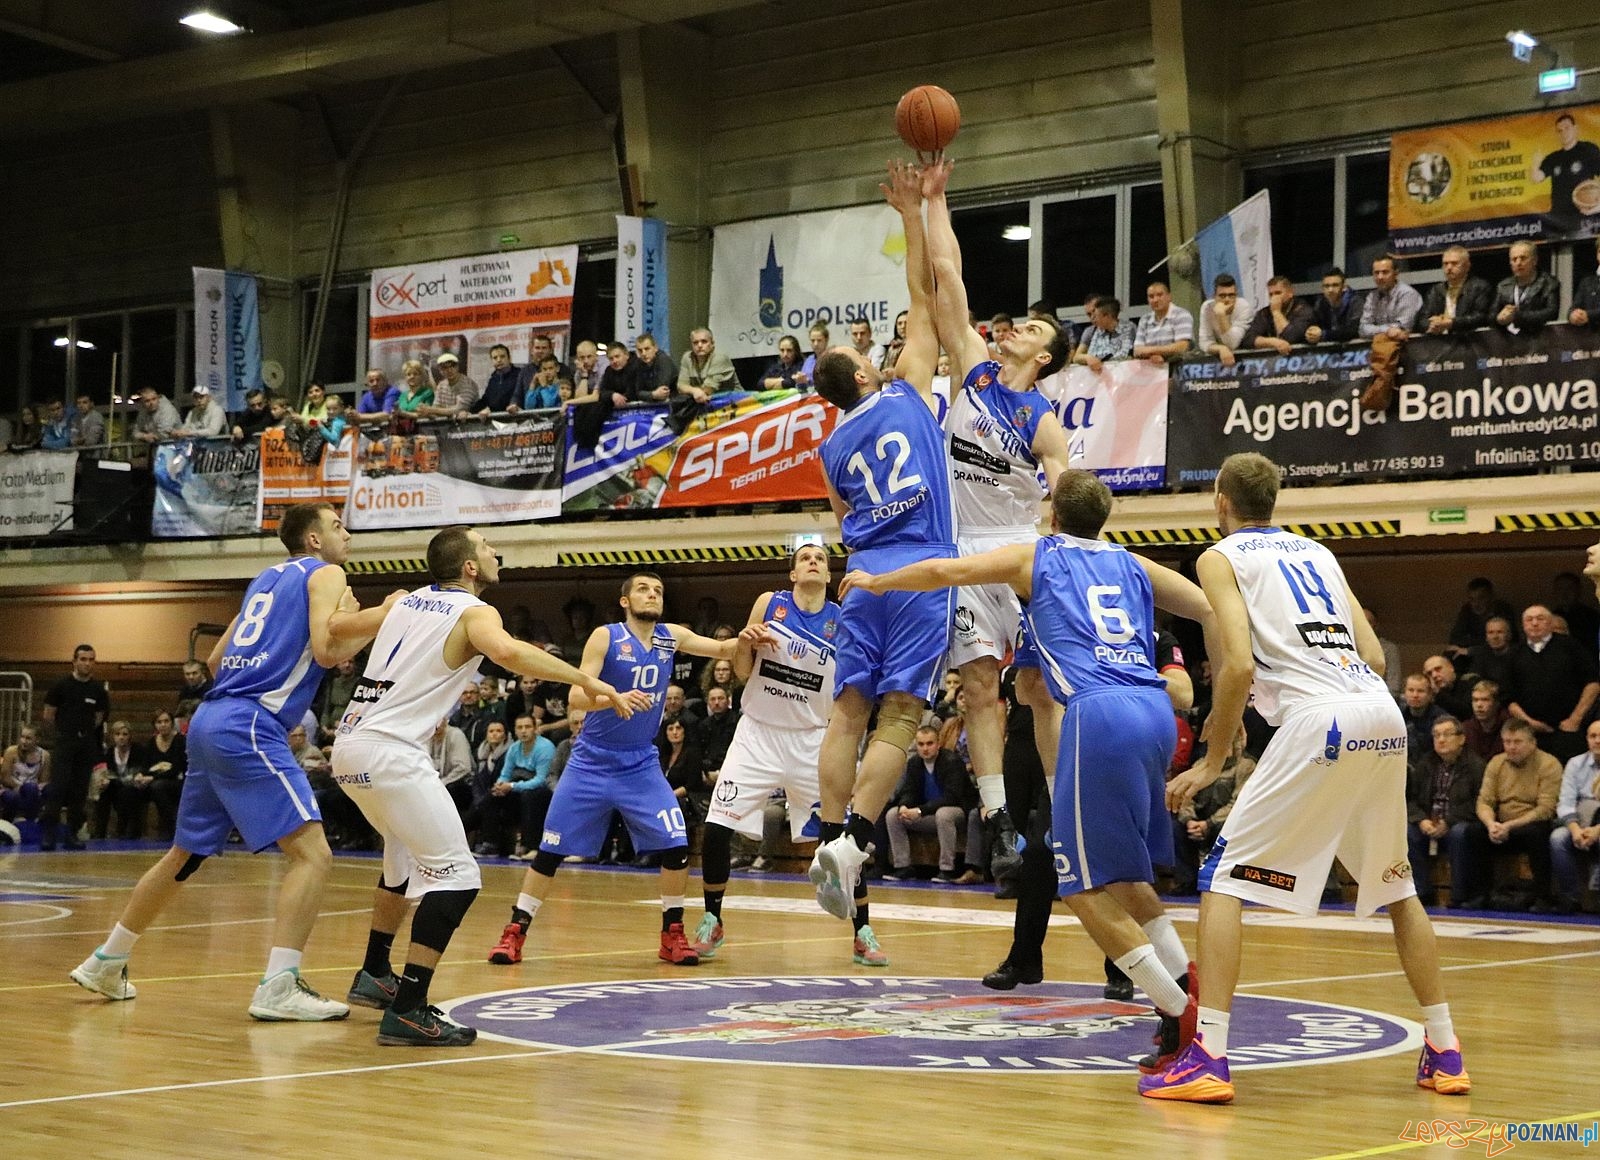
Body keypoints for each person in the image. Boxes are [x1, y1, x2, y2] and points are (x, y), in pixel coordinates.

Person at [843, 468, 1213, 1074]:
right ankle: (1182, 980)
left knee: (1078, 883)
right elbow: (1207, 606)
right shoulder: (1135, 565)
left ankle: (1177, 1011)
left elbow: (945, 572)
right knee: (1121, 876)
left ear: (1054, 517)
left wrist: (879, 581)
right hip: (1156, 713)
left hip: (1099, 714)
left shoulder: (1038, 558)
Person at [1146, 451, 1469, 1103]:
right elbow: (1373, 653)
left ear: (1220, 500)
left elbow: (1235, 664)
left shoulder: (1220, 556)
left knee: (1222, 877)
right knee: (1397, 887)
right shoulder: (1318, 552)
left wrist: (1212, 759)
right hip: (1378, 712)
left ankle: (1208, 1055)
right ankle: (1445, 1050)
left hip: (1321, 720)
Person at [70, 503, 394, 1019]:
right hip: (248, 724)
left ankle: (108, 959)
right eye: (337, 526)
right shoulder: (327, 573)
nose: (347, 534)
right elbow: (328, 651)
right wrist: (385, 612)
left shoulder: (264, 580)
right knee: (314, 855)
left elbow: (217, 662)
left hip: (209, 719)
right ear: (312, 540)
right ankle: (279, 986)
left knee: (184, 853)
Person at [333, 525, 639, 1045]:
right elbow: (510, 653)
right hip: (390, 753)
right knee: (457, 876)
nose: (497, 552)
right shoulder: (475, 611)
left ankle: (374, 973)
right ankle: (408, 1008)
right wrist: (586, 680)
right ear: (470, 567)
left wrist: (334, 599)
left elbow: (337, 631)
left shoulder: (406, 601)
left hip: (349, 747)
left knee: (402, 862)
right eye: (487, 547)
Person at [805, 160, 956, 923]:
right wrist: (912, 209)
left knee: (846, 714)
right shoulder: (904, 390)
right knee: (902, 713)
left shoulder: (830, 450)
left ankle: (828, 831)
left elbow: (838, 523)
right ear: (865, 374)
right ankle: (854, 840)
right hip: (923, 570)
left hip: (862, 572)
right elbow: (925, 298)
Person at [920, 155, 1073, 887]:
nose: (1013, 329)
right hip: (965, 554)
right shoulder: (974, 372)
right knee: (979, 686)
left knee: (1041, 691)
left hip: (1023, 558)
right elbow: (948, 276)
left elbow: (1071, 498)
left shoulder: (1043, 424)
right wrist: (935, 200)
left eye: (1031, 328)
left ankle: (1065, 809)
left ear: (1042, 356)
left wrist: (1057, 540)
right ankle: (999, 818)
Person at [486, 572, 762, 968]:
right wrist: (611, 698)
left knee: (676, 844)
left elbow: (722, 646)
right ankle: (515, 931)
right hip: (591, 761)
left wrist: (761, 636)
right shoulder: (606, 636)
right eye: (643, 589)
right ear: (625, 601)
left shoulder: (670, 636)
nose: (652, 594)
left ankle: (672, 933)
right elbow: (577, 696)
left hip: (640, 763)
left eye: (659, 591)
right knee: (550, 851)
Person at [692, 545, 889, 963]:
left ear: (830, 574)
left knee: (840, 840)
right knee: (716, 827)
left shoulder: (843, 616)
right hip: (758, 733)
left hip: (815, 738)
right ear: (793, 574)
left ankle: (864, 930)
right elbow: (743, 671)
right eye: (805, 559)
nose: (813, 561)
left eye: (820, 557)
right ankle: (713, 919)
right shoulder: (769, 604)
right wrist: (745, 642)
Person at [38, 643, 110, 850]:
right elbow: (48, 715)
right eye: (83, 659)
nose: (87, 663)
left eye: (91, 659)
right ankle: (49, 834)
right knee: (58, 787)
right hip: (64, 743)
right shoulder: (61, 685)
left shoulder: (97, 689)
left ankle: (72, 833)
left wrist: (84, 733)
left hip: (86, 744)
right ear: (75, 661)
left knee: (79, 790)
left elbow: (99, 717)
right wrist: (63, 735)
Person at [1531, 111, 1600, 234]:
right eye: (1560, 130)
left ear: (1575, 129)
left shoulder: (1588, 150)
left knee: (1584, 251)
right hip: (1558, 219)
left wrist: (1597, 206)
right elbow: (1536, 178)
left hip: (1583, 217)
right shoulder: (1553, 158)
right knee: (1558, 251)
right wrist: (1535, 163)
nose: (1564, 133)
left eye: (1567, 128)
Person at [1417, 247, 1494, 336]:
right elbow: (1421, 321)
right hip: (1439, 342)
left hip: (1469, 341)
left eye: (1454, 263)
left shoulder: (1480, 287)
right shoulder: (1436, 290)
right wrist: (1431, 324)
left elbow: (1481, 318)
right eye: (1445, 264)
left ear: (1467, 266)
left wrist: (1451, 323)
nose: (1449, 267)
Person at [1, 726, 50, 832]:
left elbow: (43, 781)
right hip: (12, 787)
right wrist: (18, 787)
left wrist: (37, 788)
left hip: (32, 790)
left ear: (37, 740)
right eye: (22, 737)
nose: (24, 741)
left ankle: (30, 824)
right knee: (14, 795)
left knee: (34, 789)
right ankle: (9, 824)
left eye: (28, 738)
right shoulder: (11, 751)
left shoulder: (45, 755)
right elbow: (5, 778)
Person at [1305, 269, 1363, 344]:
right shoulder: (1320, 304)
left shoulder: (1355, 301)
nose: (1330, 290)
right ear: (1322, 288)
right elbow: (1313, 324)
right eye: (1326, 286)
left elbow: (1354, 330)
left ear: (1344, 286)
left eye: (1335, 285)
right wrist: (1311, 333)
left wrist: (1324, 335)